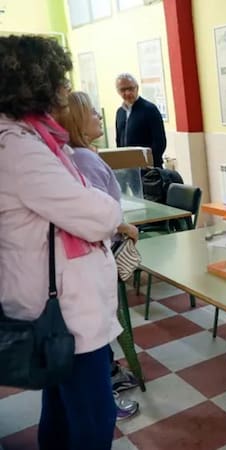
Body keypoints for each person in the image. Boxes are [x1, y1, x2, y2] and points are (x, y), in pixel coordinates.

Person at [0, 35, 122, 449]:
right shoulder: (20, 148)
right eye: (60, 80)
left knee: (60, 407)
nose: (66, 90)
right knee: (94, 418)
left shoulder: (35, 138)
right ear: (35, 84)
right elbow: (100, 215)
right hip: (64, 310)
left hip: (57, 304)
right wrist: (106, 207)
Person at [54, 91, 141, 421]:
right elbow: (96, 215)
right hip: (89, 266)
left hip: (88, 264)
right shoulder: (83, 159)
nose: (99, 116)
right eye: (92, 112)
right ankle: (107, 390)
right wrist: (121, 225)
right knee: (94, 339)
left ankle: (108, 377)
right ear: (77, 120)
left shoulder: (78, 155)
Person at [114, 73, 167, 168]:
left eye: (131, 88)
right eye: (123, 90)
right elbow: (119, 140)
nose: (127, 93)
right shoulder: (120, 112)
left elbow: (160, 142)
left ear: (137, 88)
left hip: (149, 168)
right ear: (118, 91)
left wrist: (148, 163)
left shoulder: (150, 109)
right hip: (128, 168)